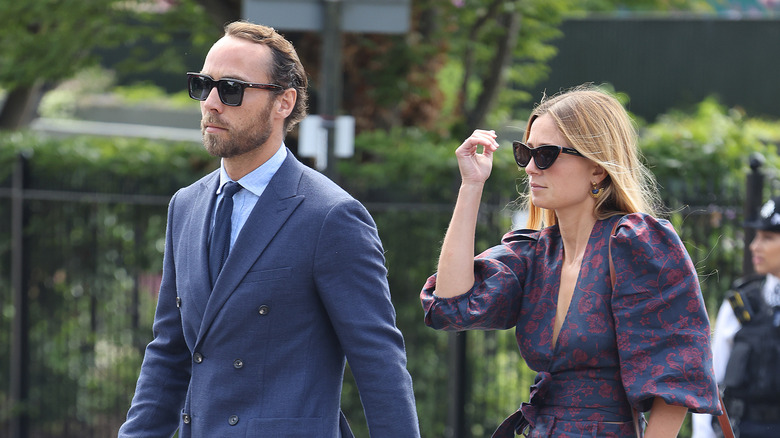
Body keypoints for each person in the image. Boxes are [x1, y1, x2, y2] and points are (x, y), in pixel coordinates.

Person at [118, 21, 420, 438]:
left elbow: (378, 362)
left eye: (231, 89)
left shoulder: (331, 215)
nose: (211, 103)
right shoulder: (185, 206)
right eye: (202, 85)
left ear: (284, 102)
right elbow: (169, 354)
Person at [420, 85, 722, 437]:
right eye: (525, 153)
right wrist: (471, 185)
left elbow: (675, 382)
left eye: (546, 154)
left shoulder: (635, 242)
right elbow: (450, 306)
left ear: (597, 168)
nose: (531, 167)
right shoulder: (535, 253)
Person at [692, 196, 780, 438]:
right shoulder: (741, 304)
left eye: (768, 238)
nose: (754, 246)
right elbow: (710, 382)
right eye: (756, 236)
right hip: (745, 429)